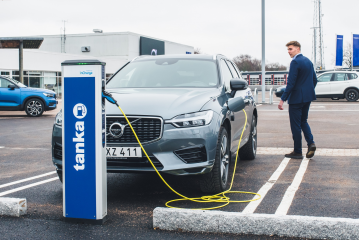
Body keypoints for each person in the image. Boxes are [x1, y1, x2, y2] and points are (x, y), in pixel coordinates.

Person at [278, 41, 317, 159]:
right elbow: (314, 80)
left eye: (290, 49)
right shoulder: (308, 61)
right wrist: (307, 91)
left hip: (296, 99)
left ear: (297, 49)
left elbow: (291, 83)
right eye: (288, 50)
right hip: (307, 98)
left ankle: (297, 151)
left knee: (295, 125)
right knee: (303, 121)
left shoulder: (295, 62)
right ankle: (311, 143)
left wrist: (282, 99)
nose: (289, 52)